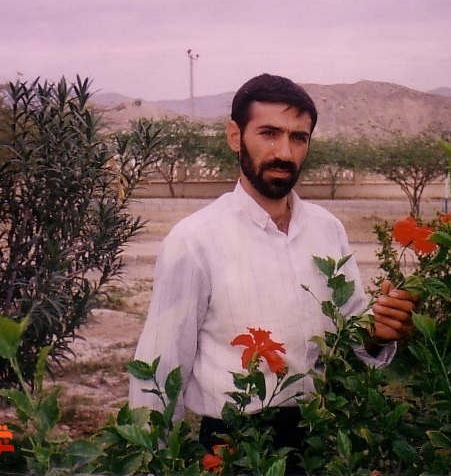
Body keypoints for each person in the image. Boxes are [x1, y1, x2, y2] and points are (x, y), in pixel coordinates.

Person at [129, 73, 417, 466]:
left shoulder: (327, 229)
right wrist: (153, 465)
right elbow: (160, 371)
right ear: (235, 136)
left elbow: (349, 342)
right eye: (269, 133)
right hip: (234, 448)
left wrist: (378, 335)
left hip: (321, 443)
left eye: (298, 137)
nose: (284, 151)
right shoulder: (194, 241)